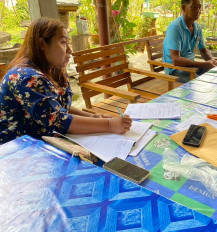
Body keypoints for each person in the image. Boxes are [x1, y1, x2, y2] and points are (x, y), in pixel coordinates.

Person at [0, 17, 132, 144]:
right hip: (17, 151)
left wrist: (91, 117)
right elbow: (58, 120)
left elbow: (60, 107)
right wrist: (109, 125)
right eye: (63, 42)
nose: (69, 49)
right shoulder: (26, 77)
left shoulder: (54, 70)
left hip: (44, 141)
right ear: (42, 44)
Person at [163, 0, 217, 83]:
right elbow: (176, 60)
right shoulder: (175, 27)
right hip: (175, 70)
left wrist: (212, 60)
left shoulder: (197, 27)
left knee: (216, 75)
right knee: (200, 84)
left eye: (199, 7)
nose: (198, 11)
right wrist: (204, 64)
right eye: (194, 7)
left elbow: (203, 50)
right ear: (183, 8)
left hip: (190, 67)